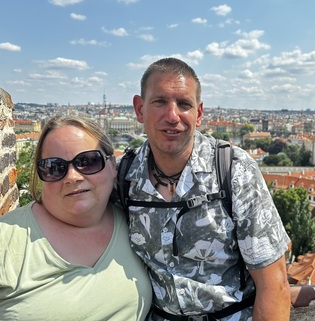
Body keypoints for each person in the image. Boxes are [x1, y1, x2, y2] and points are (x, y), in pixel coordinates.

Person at [123, 57, 291, 320]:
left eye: (184, 104)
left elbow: (274, 284)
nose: (172, 116)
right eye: (160, 102)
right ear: (139, 108)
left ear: (199, 114)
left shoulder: (234, 170)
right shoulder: (124, 177)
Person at [0, 115, 153, 320]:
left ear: (113, 165)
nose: (72, 177)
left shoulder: (139, 226)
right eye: (54, 167)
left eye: (87, 162)